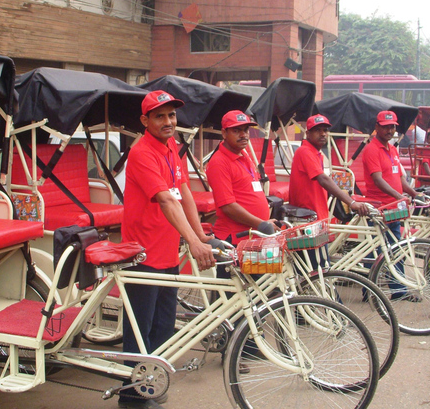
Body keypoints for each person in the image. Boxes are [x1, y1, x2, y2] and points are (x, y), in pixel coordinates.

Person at [119, 90, 216, 409]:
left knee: (163, 327)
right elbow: (165, 199)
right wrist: (192, 240)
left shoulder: (171, 147)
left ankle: (151, 388)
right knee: (139, 331)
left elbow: (184, 191)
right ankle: (131, 397)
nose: (168, 121)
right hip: (142, 253)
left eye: (172, 115)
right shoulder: (142, 152)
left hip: (167, 251)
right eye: (160, 116)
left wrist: (200, 235)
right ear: (145, 121)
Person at [289, 114, 368, 268]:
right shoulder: (305, 151)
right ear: (308, 133)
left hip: (317, 218)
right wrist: (351, 202)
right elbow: (323, 179)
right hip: (308, 221)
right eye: (317, 130)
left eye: (325, 130)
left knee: (321, 267)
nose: (323, 134)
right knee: (315, 270)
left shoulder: (317, 153)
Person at [206, 110, 277, 277]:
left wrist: (263, 222)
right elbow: (228, 206)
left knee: (255, 291)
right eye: (236, 130)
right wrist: (261, 224)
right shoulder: (219, 162)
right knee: (235, 296)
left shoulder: (244, 155)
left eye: (245, 130)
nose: (243, 135)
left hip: (253, 236)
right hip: (235, 240)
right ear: (224, 133)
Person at [362, 110, 420, 301]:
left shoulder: (392, 149)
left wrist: (414, 194)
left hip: (395, 208)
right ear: (377, 127)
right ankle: (371, 289)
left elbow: (400, 178)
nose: (390, 130)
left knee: (395, 248)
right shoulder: (372, 149)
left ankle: (395, 290)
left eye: (393, 126)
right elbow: (378, 180)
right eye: (386, 126)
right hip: (380, 208)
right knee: (379, 250)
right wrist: (398, 196)